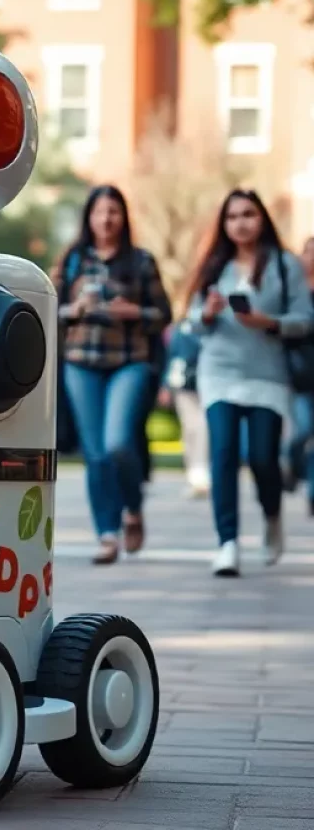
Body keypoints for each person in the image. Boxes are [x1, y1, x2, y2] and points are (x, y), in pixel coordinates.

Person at [186, 189, 314, 576]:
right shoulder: (214, 265)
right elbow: (190, 323)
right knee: (223, 454)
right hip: (219, 371)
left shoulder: (283, 264)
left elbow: (304, 319)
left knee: (261, 457)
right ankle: (227, 543)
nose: (240, 223)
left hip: (267, 375)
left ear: (262, 219)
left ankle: (272, 514)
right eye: (232, 216)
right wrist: (206, 314)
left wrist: (268, 323)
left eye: (248, 214)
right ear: (223, 224)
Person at [51, 185, 172, 565]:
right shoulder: (72, 260)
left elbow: (164, 314)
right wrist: (74, 310)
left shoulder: (140, 261)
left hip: (128, 362)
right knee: (96, 454)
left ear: (124, 217)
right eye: (100, 212)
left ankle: (132, 508)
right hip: (80, 363)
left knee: (119, 443)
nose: (107, 219)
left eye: (114, 211)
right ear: (88, 217)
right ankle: (107, 533)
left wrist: (134, 313)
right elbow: (47, 308)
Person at [157, 317, 209, 499]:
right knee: (189, 429)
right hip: (181, 381)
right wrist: (165, 385)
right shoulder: (176, 328)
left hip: (205, 379)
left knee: (202, 427)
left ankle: (202, 472)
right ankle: (194, 473)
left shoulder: (203, 321)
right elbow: (171, 357)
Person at [286, 235, 314, 514]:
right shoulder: (293, 292)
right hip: (298, 375)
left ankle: (313, 492)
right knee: (302, 431)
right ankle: (292, 465)